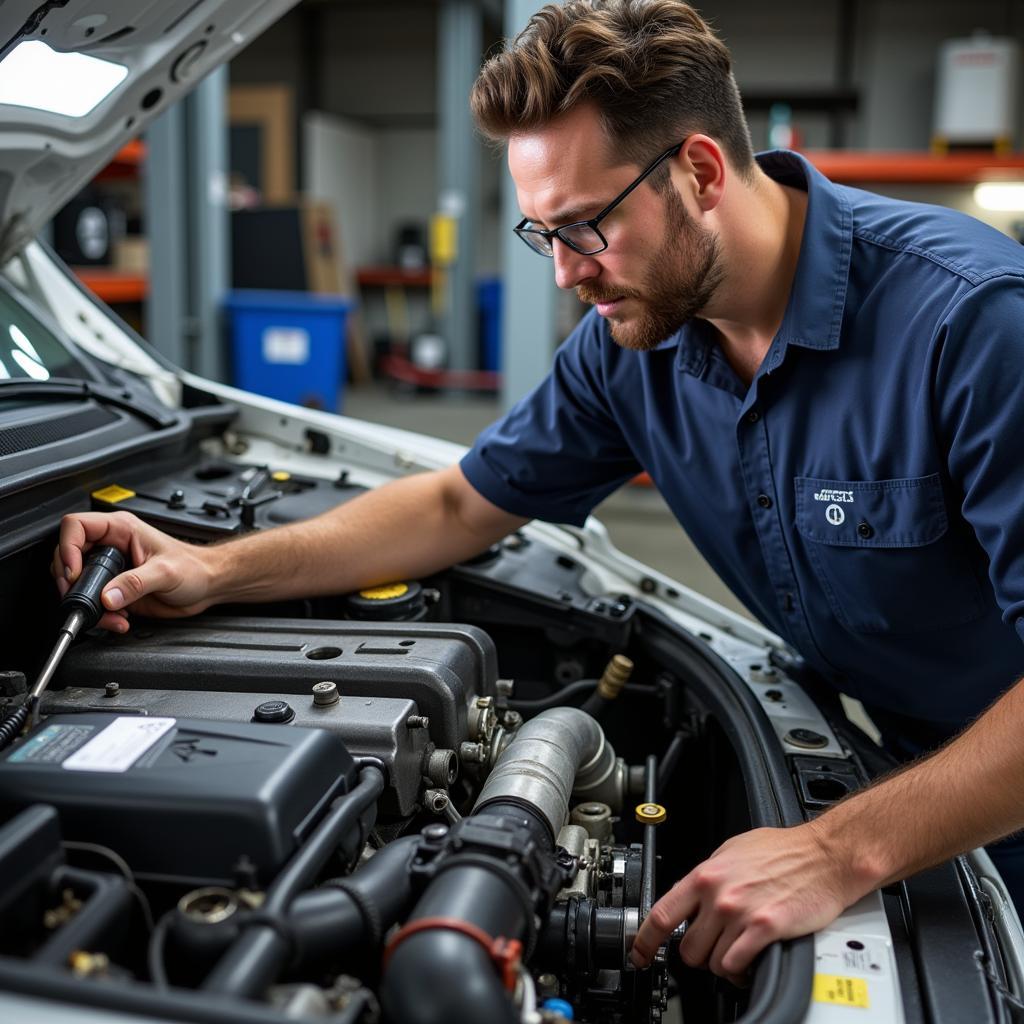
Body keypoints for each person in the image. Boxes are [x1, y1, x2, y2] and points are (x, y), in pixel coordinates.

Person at [55, 0, 1024, 989]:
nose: (565, 271)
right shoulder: (627, 351)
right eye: (541, 232)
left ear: (698, 172)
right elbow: (456, 506)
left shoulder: (972, 324)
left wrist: (832, 851)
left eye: (586, 226)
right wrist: (212, 569)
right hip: (895, 767)